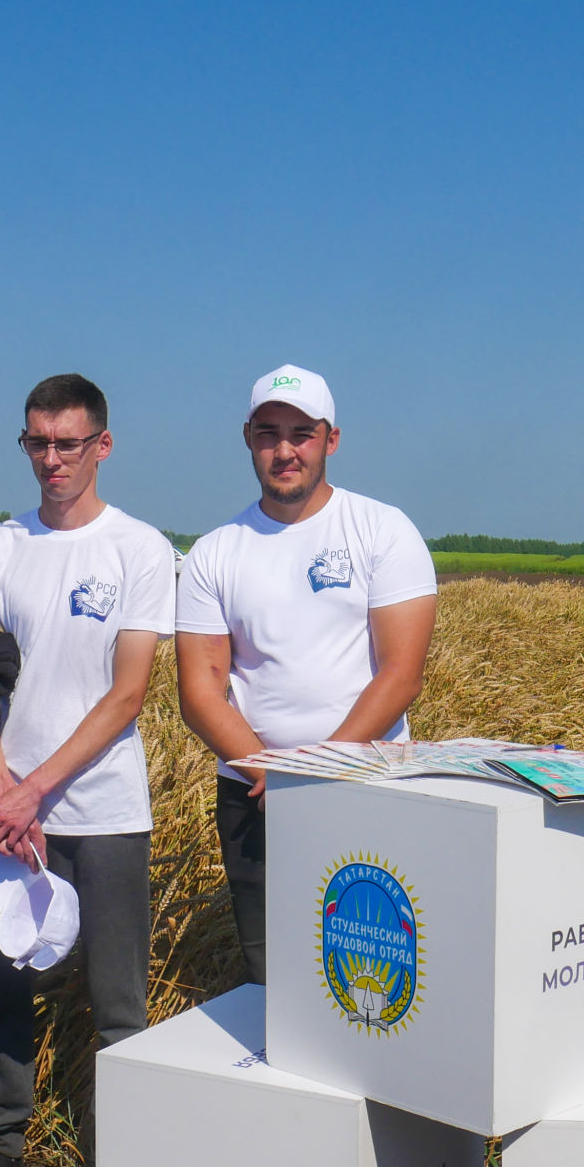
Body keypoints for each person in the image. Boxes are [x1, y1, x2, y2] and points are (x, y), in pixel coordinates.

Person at [0, 375, 176, 1167]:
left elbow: (127, 694)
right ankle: (0, 1139)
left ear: (103, 445)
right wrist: (2, 788)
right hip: (0, 808)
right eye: (37, 442)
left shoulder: (139, 549)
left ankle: (130, 1160)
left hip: (103, 808)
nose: (52, 460)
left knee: (117, 998)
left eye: (68, 443)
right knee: (5, 980)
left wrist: (35, 790)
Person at [176, 364, 437, 981]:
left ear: (332, 439)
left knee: (373, 969)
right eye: (269, 433)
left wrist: (315, 772)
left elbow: (401, 674)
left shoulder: (382, 530)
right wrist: (268, 770)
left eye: (302, 433)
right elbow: (200, 688)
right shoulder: (215, 551)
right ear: (247, 437)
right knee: (275, 975)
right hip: (251, 791)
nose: (285, 449)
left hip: (366, 782)